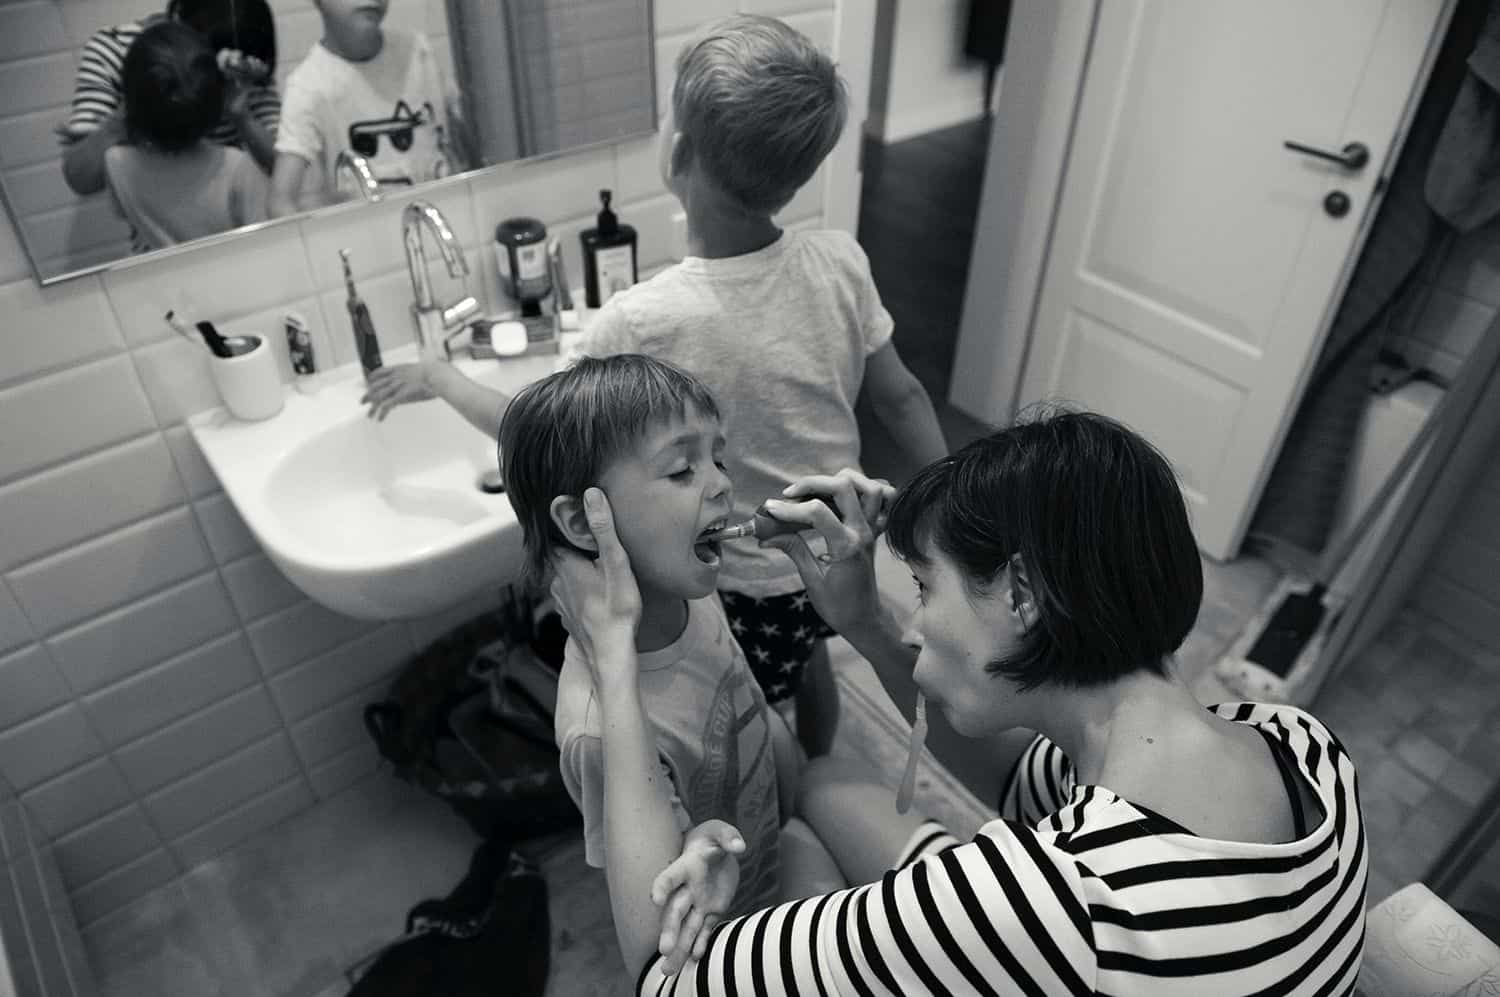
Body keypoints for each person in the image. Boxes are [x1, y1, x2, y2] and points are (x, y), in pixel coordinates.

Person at [552, 408, 1370, 994]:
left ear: (1022, 591)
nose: (913, 623)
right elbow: (1022, 781)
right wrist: (864, 620)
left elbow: (660, 976)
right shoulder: (1301, 746)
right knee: (829, 787)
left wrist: (614, 649)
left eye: (920, 586)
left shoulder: (1039, 905)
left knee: (802, 846)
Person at [361, 14, 949, 757]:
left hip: (733, 573)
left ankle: (787, 800)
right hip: (834, 552)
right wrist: (946, 497)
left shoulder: (641, 321)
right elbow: (901, 397)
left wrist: (440, 376)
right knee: (809, 662)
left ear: (675, 152)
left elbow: (528, 422)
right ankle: (825, 764)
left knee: (743, 713)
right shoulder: (840, 260)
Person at [499, 354, 844, 967]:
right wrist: (694, 848)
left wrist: (792, 791)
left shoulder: (693, 599)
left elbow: (749, 711)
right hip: (722, 944)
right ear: (583, 521)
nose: (720, 484)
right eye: (682, 469)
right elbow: (656, 913)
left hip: (771, 857)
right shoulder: (595, 731)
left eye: (719, 458)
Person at [59, 0, 279, 199]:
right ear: (177, 17)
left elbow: (283, 165)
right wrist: (134, 111)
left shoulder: (242, 43)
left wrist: (242, 116)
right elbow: (79, 178)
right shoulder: (114, 49)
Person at [268, 0, 465, 216]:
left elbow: (464, 148)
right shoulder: (309, 85)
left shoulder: (417, 51)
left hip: (442, 221)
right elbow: (280, 202)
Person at [103, 22, 270, 252]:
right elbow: (267, 242)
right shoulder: (235, 168)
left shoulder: (116, 163)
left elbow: (121, 212)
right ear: (213, 101)